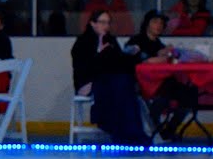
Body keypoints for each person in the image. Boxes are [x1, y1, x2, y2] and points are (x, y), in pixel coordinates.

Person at [71, 10, 146, 144]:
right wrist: (98, 53)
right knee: (118, 84)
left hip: (110, 79)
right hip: (90, 81)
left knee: (125, 82)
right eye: (102, 22)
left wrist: (131, 54)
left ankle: (132, 132)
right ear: (93, 24)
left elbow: (118, 61)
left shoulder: (110, 40)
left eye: (108, 22)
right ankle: (120, 130)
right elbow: (83, 67)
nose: (106, 26)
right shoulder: (82, 42)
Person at [126, 9, 197, 139]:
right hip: (143, 84)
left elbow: (170, 61)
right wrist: (164, 57)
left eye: (161, 23)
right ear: (147, 23)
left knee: (190, 95)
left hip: (164, 82)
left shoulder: (160, 44)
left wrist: (172, 54)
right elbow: (144, 61)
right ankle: (155, 125)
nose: (159, 25)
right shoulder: (136, 41)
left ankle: (169, 129)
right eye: (155, 22)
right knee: (164, 95)